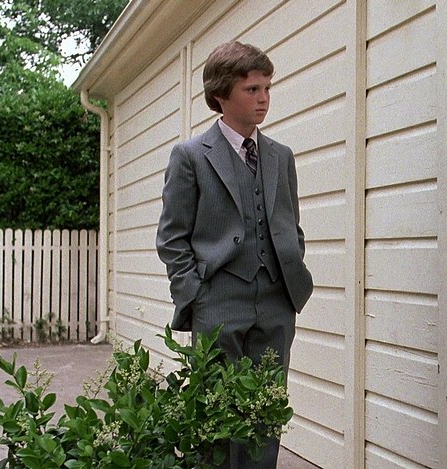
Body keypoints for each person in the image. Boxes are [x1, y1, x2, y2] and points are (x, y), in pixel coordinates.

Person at [156, 41, 313, 468]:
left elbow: (290, 225)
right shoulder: (191, 156)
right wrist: (195, 294)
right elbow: (171, 237)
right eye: (251, 89)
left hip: (277, 300)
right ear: (221, 94)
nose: (263, 98)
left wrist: (291, 268)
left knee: (266, 410)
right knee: (217, 414)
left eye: (267, 88)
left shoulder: (280, 156)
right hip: (218, 301)